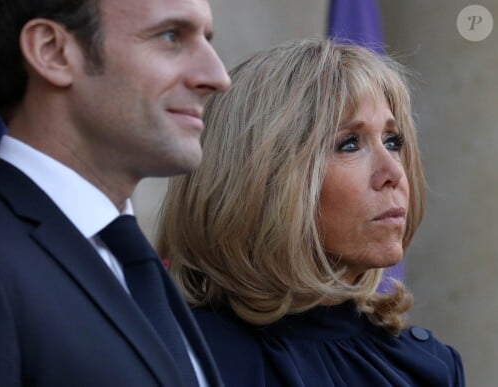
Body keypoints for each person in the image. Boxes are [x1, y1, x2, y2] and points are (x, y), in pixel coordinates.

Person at [0, 0, 230, 386]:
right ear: (52, 51)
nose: (217, 77)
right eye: (171, 36)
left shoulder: (131, 261)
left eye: (206, 38)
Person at [156, 39, 465, 386]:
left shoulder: (429, 367)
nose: (393, 171)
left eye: (393, 141)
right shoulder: (181, 360)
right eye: (349, 144)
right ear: (263, 178)